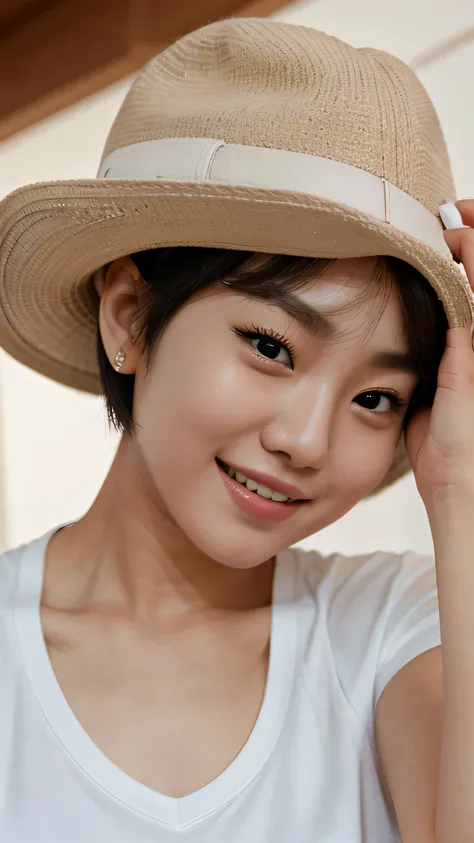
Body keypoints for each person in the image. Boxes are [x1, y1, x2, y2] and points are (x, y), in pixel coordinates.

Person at [0, 16, 474, 843]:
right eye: (271, 346)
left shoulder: (396, 632)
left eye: (378, 397)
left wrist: (464, 490)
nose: (309, 440)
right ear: (129, 315)